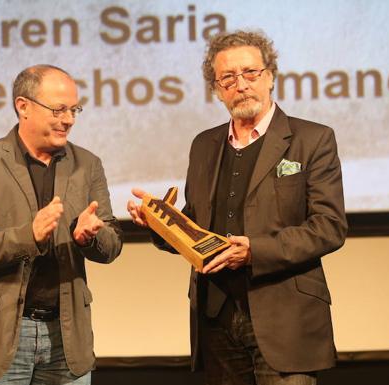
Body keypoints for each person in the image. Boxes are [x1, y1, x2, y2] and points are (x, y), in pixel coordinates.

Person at [127, 31, 347, 385]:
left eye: (250, 73)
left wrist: (253, 252)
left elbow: (329, 227)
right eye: (228, 78)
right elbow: (196, 229)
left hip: (285, 317)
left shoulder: (312, 139)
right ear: (216, 89)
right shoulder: (204, 145)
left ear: (270, 76)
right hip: (216, 318)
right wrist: (159, 224)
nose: (240, 84)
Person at [0, 64, 123, 385]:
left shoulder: (88, 164)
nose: (68, 119)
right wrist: (28, 236)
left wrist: (89, 238)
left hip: (67, 335)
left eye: (74, 109)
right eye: (58, 109)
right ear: (23, 106)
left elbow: (111, 245)